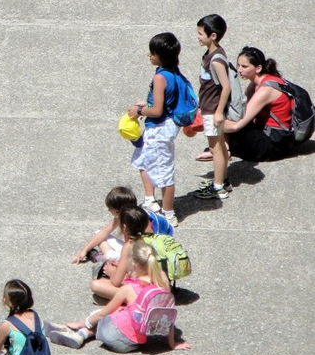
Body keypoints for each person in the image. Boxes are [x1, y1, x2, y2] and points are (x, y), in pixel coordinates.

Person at [47, 242, 192, 353]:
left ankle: (81, 333)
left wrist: (83, 322)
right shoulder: (163, 283)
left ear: (134, 264)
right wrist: (172, 344)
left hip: (115, 338)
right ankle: (81, 334)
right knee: (127, 310)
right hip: (137, 342)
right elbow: (167, 315)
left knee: (109, 313)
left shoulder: (128, 289)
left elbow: (104, 313)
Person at [125, 33, 184, 222]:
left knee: (165, 172)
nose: (148, 55)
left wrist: (139, 110)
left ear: (161, 56)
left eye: (152, 53)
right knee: (143, 159)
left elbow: (157, 110)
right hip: (162, 127)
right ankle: (150, 199)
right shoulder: (173, 72)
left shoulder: (160, 77)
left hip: (160, 129)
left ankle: (168, 215)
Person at [224, 47, 297, 161]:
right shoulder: (260, 82)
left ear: (258, 68)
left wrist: (209, 123)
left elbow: (237, 125)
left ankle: (223, 148)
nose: (239, 70)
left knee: (226, 119)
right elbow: (240, 109)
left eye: (244, 66)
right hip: (274, 137)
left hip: (273, 146)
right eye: (238, 65)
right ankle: (225, 147)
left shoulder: (265, 90)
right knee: (227, 112)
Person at [71, 187, 171, 267]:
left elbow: (146, 249)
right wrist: (85, 250)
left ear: (119, 212)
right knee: (98, 233)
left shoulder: (139, 221)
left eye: (110, 209)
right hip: (133, 247)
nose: (108, 211)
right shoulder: (129, 214)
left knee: (111, 256)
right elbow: (105, 232)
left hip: (146, 254)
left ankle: (101, 258)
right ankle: (105, 258)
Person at [193, 15, 233, 199]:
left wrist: (218, 112)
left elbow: (226, 87)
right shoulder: (211, 55)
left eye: (201, 33)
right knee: (220, 146)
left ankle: (218, 187)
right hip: (210, 108)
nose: (198, 36)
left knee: (215, 148)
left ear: (213, 36)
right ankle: (223, 180)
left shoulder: (216, 60)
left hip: (212, 110)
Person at [90, 205, 166, 301]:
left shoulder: (129, 246)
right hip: (160, 287)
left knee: (96, 285)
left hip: (145, 293)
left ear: (124, 227)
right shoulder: (152, 239)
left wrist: (111, 272)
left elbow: (116, 282)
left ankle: (135, 300)